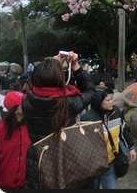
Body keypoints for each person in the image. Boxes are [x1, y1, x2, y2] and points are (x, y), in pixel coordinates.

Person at [22, 51, 96, 189]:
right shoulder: (69, 103)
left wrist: (51, 64)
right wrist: (75, 67)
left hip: (39, 160)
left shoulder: (27, 100)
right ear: (60, 79)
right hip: (67, 159)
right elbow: (91, 91)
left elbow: (39, 83)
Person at [81, 86, 137, 189]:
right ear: (99, 101)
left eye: (112, 98)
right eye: (108, 100)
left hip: (110, 162)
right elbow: (83, 145)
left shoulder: (116, 112)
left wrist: (131, 148)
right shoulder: (87, 118)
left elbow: (123, 131)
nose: (112, 102)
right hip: (93, 166)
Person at [0, 90, 32, 189]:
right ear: (14, 109)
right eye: (23, 103)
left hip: (25, 185)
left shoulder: (30, 127)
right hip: (3, 186)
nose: (27, 105)